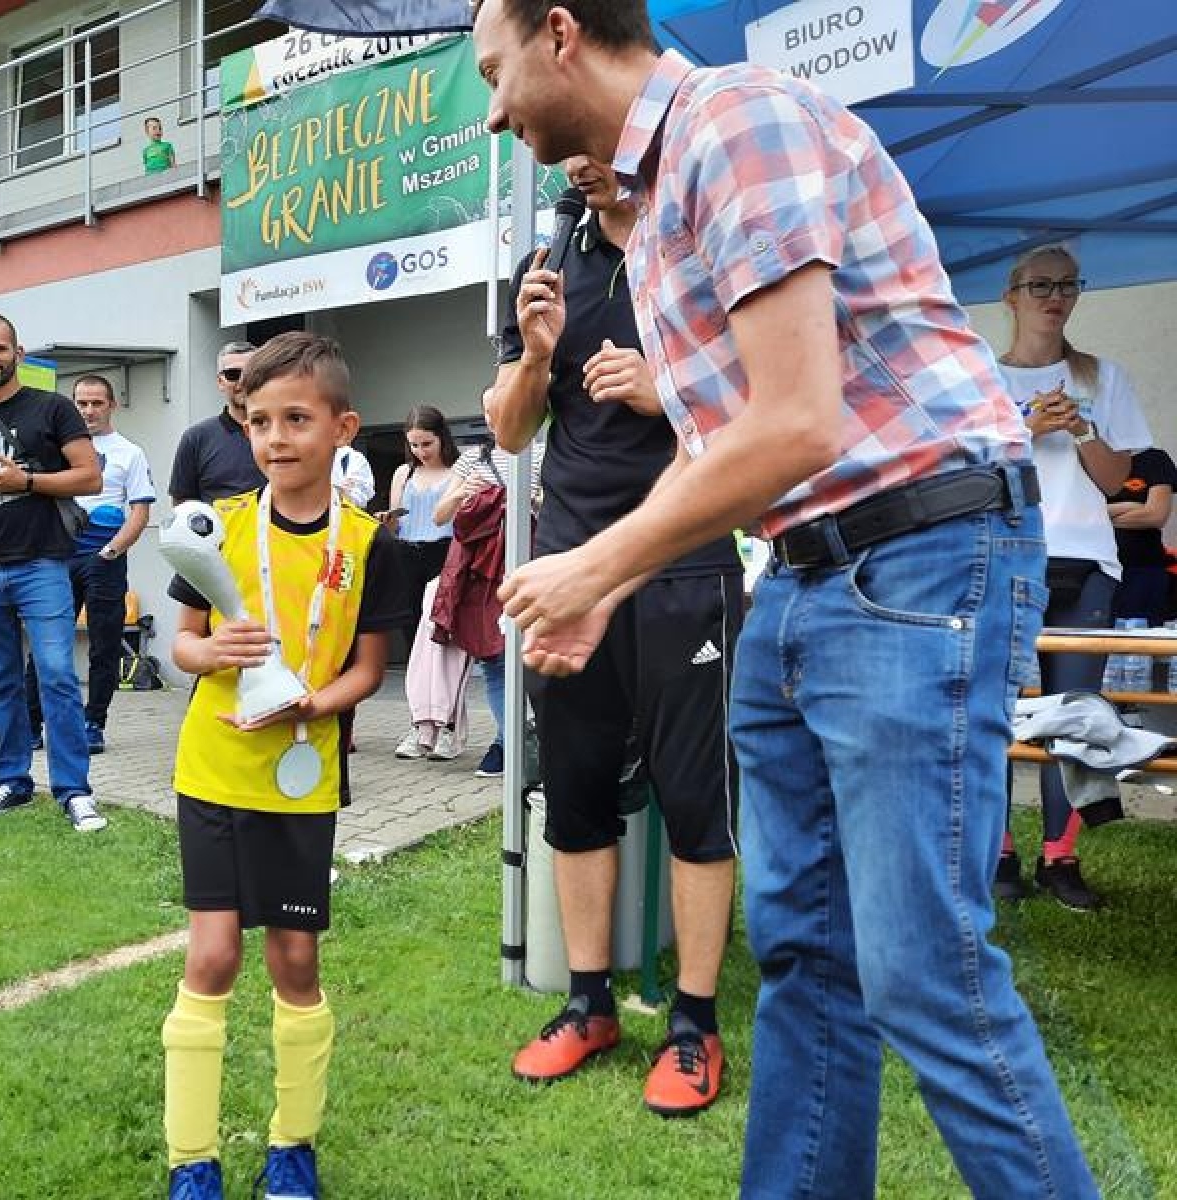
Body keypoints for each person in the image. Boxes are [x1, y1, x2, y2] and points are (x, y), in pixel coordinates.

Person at [473, 2, 1097, 1196]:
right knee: (807, 958)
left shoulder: (732, 122)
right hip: (801, 576)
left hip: (918, 553)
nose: (496, 109)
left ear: (560, 33)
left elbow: (799, 418)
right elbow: (733, 451)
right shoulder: (648, 208)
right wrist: (626, 582)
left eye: (496, 73)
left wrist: (600, 563)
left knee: (923, 971)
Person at [491, 153, 746, 1114]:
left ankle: (693, 1023)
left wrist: (662, 387)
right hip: (567, 566)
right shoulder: (549, 257)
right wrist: (535, 354)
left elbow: (757, 412)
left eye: (597, 160)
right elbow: (512, 432)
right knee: (576, 788)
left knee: (694, 797)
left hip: (686, 561)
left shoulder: (698, 247)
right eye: (570, 169)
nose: (581, 174)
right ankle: (588, 1003)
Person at [161, 332, 406, 1200]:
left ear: (343, 427)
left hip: (302, 778)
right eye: (259, 420)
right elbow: (181, 648)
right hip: (216, 771)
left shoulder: (373, 543)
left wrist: (316, 704)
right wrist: (210, 649)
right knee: (215, 956)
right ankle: (192, 1158)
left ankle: (291, 1147)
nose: (275, 438)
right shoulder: (216, 530)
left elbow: (369, 670)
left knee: (295, 961)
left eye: (296, 419)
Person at [994, 244, 1150, 911]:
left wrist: (1081, 427)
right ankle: (996, 854)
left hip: (1087, 559)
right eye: (1039, 285)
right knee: (994, 714)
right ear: (1012, 296)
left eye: (1066, 285)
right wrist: (1025, 429)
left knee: (1077, 715)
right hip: (1005, 556)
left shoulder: (1102, 376)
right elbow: (971, 475)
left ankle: (1061, 857)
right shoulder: (984, 379)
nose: (1053, 297)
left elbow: (1119, 481)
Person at [0, 312, 107, 832]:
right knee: (1, 682)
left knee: (55, 675)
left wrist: (27, 480)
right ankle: (11, 780)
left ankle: (75, 790)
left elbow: (91, 477)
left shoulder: (51, 408)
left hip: (42, 565)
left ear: (18, 352)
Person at [13, 374, 157, 755]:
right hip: (58, 556)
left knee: (104, 646)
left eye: (97, 403)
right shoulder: (59, 451)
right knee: (46, 643)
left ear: (112, 405)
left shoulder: (131, 453)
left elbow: (140, 513)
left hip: (105, 557)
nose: (89, 411)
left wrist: (111, 551)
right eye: (82, 403)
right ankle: (30, 726)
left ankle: (94, 724)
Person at [426, 387, 544, 779]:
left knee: (532, 658)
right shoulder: (471, 460)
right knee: (494, 660)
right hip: (482, 574)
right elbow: (440, 516)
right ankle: (509, 743)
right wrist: (464, 492)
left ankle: (520, 741)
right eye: (489, 412)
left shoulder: (543, 454)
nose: (495, 418)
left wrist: (527, 499)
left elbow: (556, 509)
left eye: (501, 409)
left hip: (531, 566)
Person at [384, 405, 459, 650]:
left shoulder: (457, 470)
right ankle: (415, 682)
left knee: (440, 622)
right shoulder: (404, 472)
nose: (420, 452)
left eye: (427, 444)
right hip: (406, 552)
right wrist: (387, 520)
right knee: (411, 623)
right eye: (414, 445)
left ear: (442, 438)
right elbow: (395, 521)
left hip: (444, 551)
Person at [170, 342, 266, 505]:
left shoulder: (281, 433)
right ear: (220, 382)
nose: (242, 382)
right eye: (233, 374)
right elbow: (184, 506)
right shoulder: (196, 438)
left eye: (249, 373)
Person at [1110, 446, 1177, 626]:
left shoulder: (1153, 459)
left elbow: (1155, 516)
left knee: (1143, 642)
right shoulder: (1086, 457)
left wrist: (1101, 517)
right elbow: (1073, 515)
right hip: (1098, 570)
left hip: (1144, 569)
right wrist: (1131, 506)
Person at [331, 444, 375, 509]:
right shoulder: (313, 455)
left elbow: (361, 498)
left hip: (339, 514)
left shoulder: (353, 458)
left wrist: (341, 492)